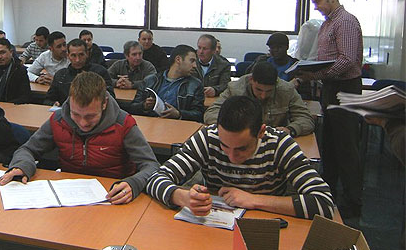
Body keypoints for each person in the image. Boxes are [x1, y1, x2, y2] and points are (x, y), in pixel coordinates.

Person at [147, 95, 335, 220]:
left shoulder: (280, 144)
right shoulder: (208, 137)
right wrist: (183, 197)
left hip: (265, 225)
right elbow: (155, 178)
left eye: (242, 148)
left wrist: (253, 200)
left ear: (261, 132)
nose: (232, 156)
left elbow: (323, 203)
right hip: (214, 225)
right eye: (225, 146)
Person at [0, 72, 159, 204]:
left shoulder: (123, 123)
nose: (83, 123)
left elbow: (151, 165)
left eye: (90, 116)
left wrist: (134, 183)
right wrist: (22, 165)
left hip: (113, 197)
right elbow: (28, 149)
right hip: (69, 197)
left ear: (104, 104)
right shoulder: (59, 118)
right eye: (76, 114)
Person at [297, 0, 364, 218]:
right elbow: (325, 56)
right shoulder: (328, 23)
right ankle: (331, 194)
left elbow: (346, 60)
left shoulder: (344, 21)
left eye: (318, 1)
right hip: (331, 87)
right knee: (331, 144)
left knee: (346, 146)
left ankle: (352, 201)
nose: (315, 6)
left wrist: (315, 74)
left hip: (345, 89)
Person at [204, 61, 315, 137]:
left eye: (268, 91)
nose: (263, 95)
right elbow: (211, 113)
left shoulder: (287, 90)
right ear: (251, 80)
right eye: (259, 90)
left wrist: (291, 129)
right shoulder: (236, 89)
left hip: (273, 141)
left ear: (276, 83)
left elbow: (306, 119)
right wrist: (236, 126)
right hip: (242, 138)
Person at [129, 44, 204, 122]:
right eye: (192, 61)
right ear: (178, 59)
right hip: (150, 124)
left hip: (177, 127)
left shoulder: (195, 85)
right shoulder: (150, 80)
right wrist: (144, 106)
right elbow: (132, 108)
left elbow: (199, 115)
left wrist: (179, 114)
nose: (195, 66)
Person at [44, 39, 114, 105]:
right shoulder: (61, 75)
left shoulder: (100, 72)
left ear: (87, 54)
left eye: (81, 55)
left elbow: (110, 98)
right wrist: (53, 104)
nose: (77, 60)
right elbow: (48, 100)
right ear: (68, 56)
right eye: (73, 55)